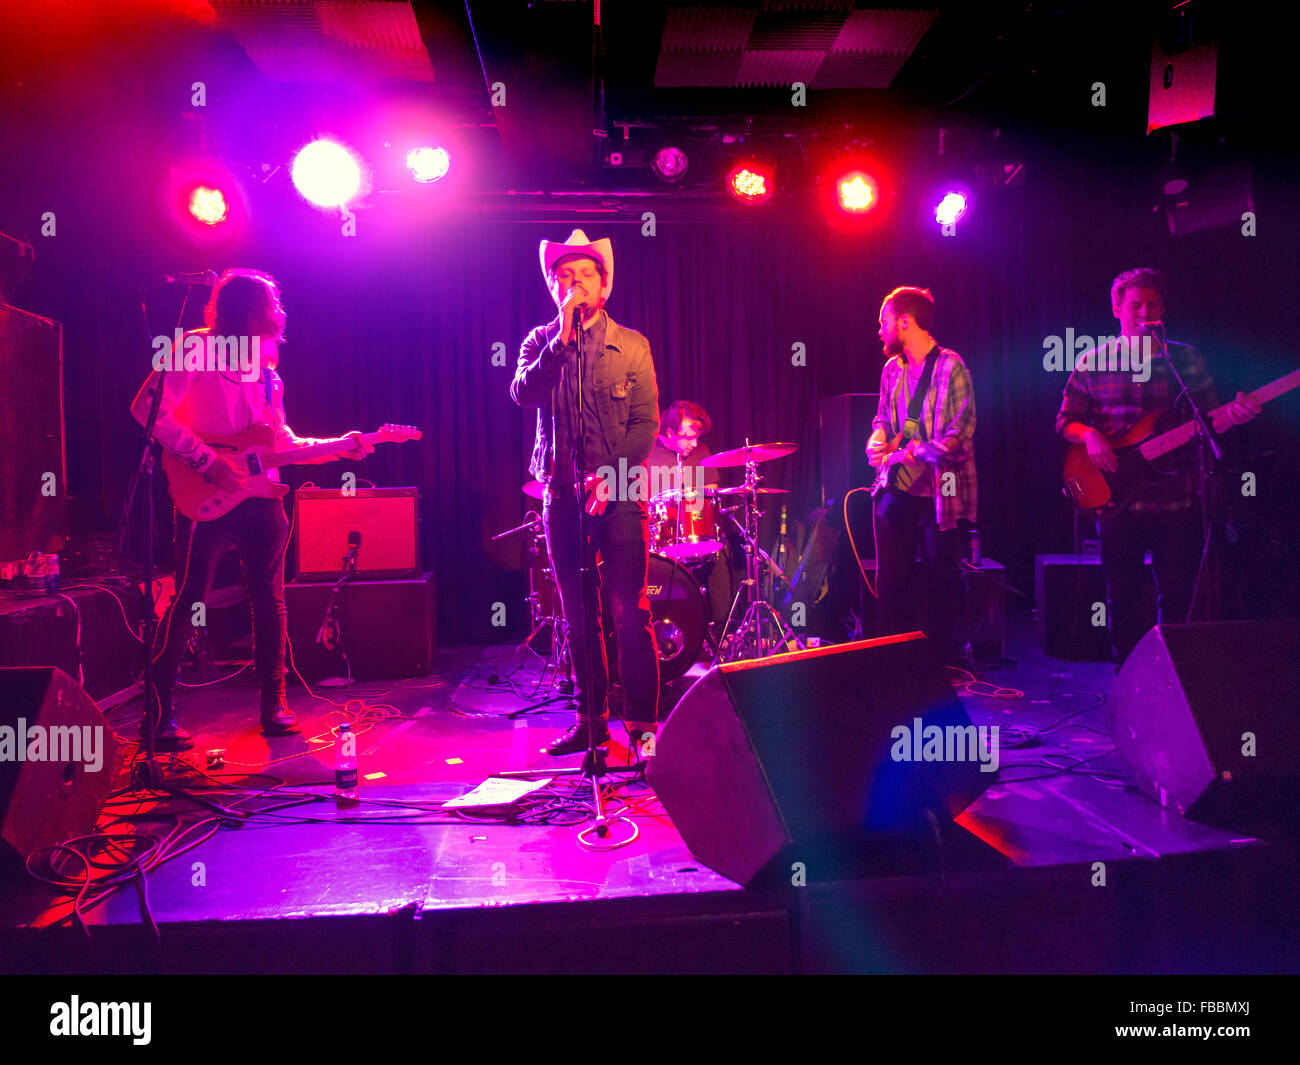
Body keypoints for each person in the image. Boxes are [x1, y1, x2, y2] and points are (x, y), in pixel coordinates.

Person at [130, 269, 373, 751]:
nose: (280, 313)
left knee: (270, 598)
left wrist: (336, 448)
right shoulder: (194, 348)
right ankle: (159, 715)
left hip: (261, 494)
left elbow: (279, 442)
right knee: (189, 598)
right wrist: (207, 461)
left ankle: (273, 706)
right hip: (205, 491)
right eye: (271, 304)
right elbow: (146, 410)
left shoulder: (267, 368)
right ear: (244, 310)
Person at [1056, 267, 1259, 662]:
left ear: (1162, 307)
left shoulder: (1185, 360)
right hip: (1117, 499)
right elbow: (1065, 421)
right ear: (1117, 308)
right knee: (1123, 594)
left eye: (1152, 305)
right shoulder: (1092, 361)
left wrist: (1234, 415)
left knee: (1179, 595)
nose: (1144, 313)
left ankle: (1174, 679)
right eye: (1135, 306)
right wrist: (1091, 435)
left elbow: (1210, 417)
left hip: (1177, 496)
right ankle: (1128, 678)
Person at [510, 230, 661, 757]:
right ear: (554, 287)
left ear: (603, 287)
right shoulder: (539, 341)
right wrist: (560, 341)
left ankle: (643, 730)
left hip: (618, 494)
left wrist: (612, 474)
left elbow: (646, 422)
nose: (572, 283)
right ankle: (590, 720)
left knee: (628, 612)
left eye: (584, 276)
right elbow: (523, 392)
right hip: (561, 497)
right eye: (563, 277)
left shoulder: (633, 344)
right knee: (578, 614)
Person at [865, 286, 977, 664]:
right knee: (890, 582)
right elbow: (882, 417)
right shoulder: (890, 370)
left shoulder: (951, 366)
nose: (879, 330)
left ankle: (944, 662)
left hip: (939, 494)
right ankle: (890, 661)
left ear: (904, 321)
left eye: (883, 322)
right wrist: (877, 438)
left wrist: (909, 453)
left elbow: (960, 436)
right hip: (896, 489)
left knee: (940, 580)